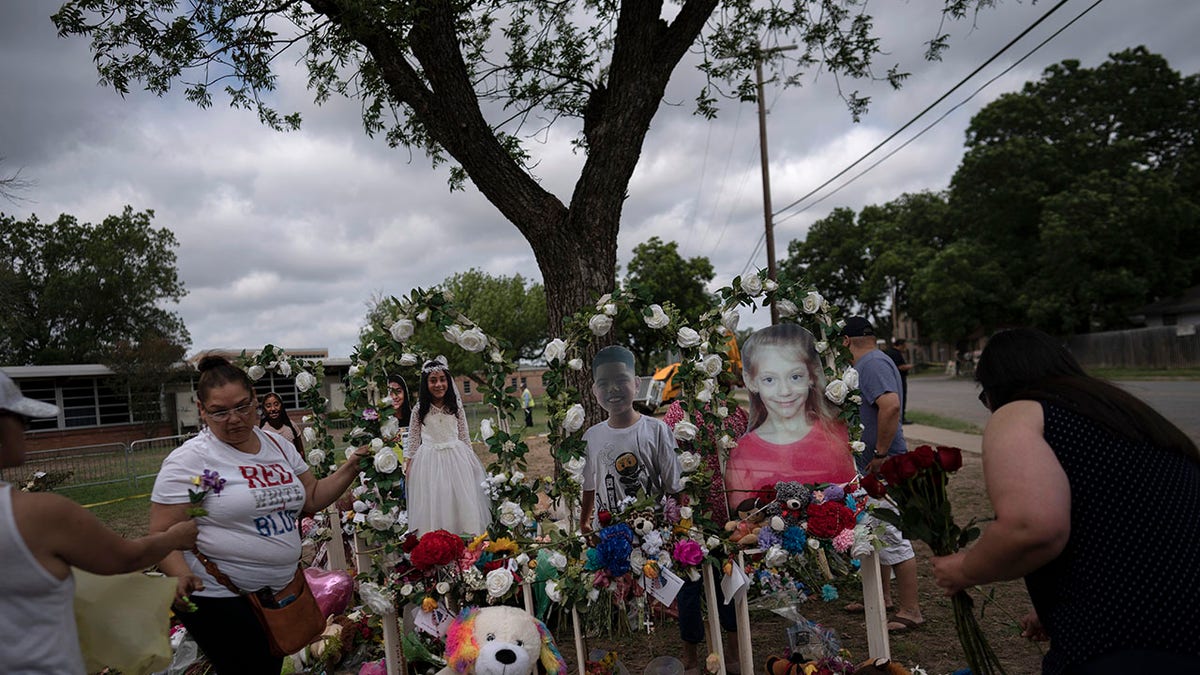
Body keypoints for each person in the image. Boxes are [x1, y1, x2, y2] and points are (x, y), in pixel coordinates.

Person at [931, 328, 1200, 674]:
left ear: (999, 386)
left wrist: (963, 569)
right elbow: (1130, 522)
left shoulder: (1020, 411)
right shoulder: (1124, 414)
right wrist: (1057, 603)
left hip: (1130, 642)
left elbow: (1032, 527)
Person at [150, 355, 371, 674]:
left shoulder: (277, 446)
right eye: (220, 411)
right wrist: (181, 574)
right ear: (201, 410)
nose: (235, 418)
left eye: (242, 406)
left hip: (278, 594)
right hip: (220, 596)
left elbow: (311, 497)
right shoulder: (190, 461)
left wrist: (351, 467)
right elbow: (161, 534)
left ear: (255, 399)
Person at [1, 372, 198, 674]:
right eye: (23, 420)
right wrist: (174, 536)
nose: (26, 431)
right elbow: (125, 557)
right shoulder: (36, 514)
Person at [579, 346, 737, 673]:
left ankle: (709, 653)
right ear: (594, 390)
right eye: (604, 384)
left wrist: (677, 526)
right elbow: (589, 483)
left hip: (662, 530)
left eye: (621, 381)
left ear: (635, 383)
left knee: (691, 586)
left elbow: (674, 483)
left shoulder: (657, 429)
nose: (613, 390)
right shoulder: (592, 436)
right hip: (613, 533)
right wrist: (585, 521)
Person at [841, 316, 924, 633]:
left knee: (893, 537)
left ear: (846, 341)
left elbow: (889, 406)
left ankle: (911, 610)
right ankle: (884, 597)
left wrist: (880, 453)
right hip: (873, 464)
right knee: (874, 535)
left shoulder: (872, 364)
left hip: (884, 465)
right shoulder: (874, 360)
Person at [725, 324, 855, 511]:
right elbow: (744, 518)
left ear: (811, 376)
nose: (784, 391)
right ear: (751, 381)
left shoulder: (835, 433)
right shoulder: (742, 453)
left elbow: (854, 497)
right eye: (769, 379)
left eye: (795, 377)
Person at [406, 356, 491, 536]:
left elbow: (464, 435)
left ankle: (463, 538)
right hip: (429, 461)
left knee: (458, 499)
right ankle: (437, 540)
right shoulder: (419, 409)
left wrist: (471, 462)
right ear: (425, 384)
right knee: (435, 501)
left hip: (456, 459)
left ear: (448, 381)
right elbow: (413, 440)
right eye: (433, 381)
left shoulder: (456, 407)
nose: (439, 385)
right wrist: (409, 465)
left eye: (442, 379)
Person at [882, 338, 914, 424]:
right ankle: (901, 418)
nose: (905, 348)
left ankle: (896, 417)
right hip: (899, 378)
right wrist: (909, 366)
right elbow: (900, 367)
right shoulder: (896, 354)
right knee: (901, 397)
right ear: (900, 345)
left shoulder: (888, 352)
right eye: (904, 346)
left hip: (890, 379)